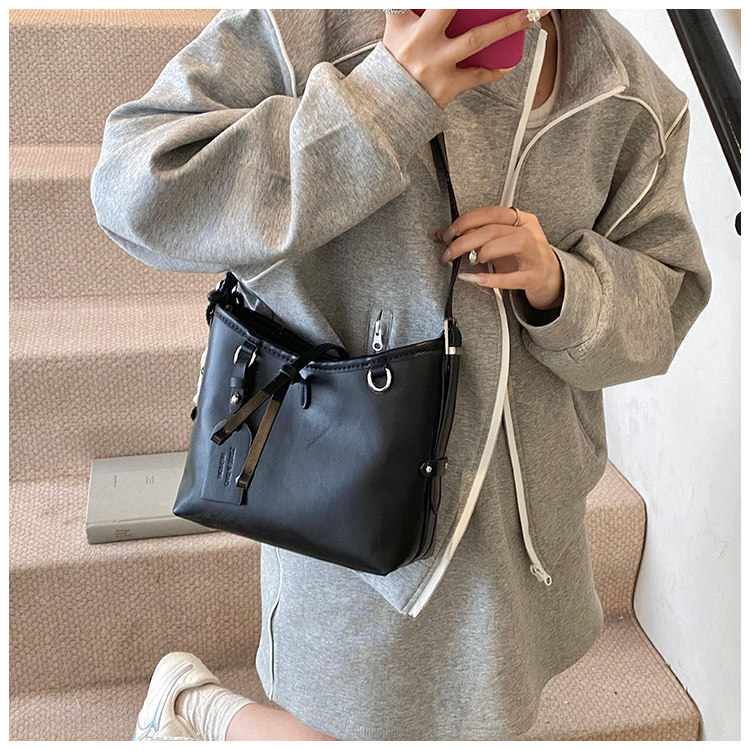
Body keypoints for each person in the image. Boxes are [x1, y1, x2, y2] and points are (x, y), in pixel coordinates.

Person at [90, 8, 712, 742]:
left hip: (520, 541)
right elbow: (137, 186)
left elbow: (666, 305)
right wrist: (382, 104)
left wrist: (563, 284)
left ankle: (194, 708)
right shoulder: (311, 24)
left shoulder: (629, 92)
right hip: (346, 515)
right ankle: (200, 711)